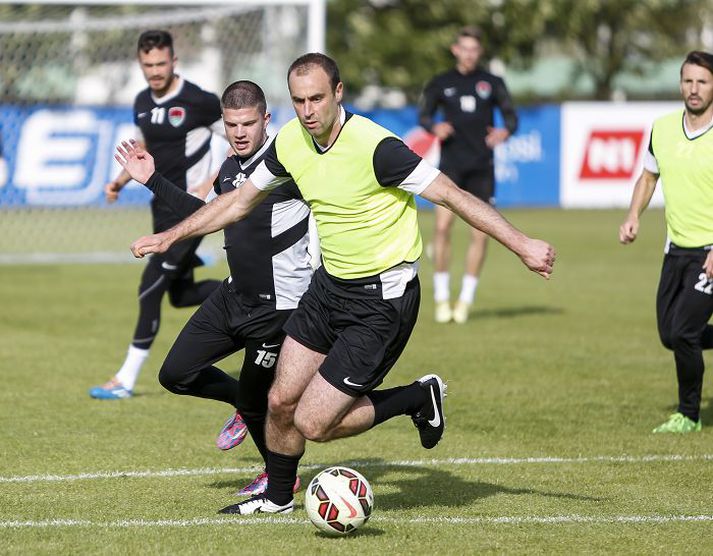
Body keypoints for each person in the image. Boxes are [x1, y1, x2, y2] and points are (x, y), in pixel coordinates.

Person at [128, 53, 555, 515]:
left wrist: (522, 244)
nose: (308, 110)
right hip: (328, 288)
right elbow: (236, 204)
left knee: (314, 422)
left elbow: (452, 195)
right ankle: (276, 498)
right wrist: (169, 236)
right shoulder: (290, 142)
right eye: (298, 100)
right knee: (279, 398)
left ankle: (417, 396)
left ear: (338, 93)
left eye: (316, 98)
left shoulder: (377, 147)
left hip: (381, 300)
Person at [117, 79, 312, 494]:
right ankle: (243, 401)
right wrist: (151, 180)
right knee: (176, 374)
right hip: (232, 295)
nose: (238, 132)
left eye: (247, 123)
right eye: (230, 124)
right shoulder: (229, 167)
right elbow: (206, 216)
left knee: (265, 404)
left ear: (266, 119)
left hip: (278, 307)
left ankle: (280, 478)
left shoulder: (289, 163)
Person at [89, 30, 224, 400]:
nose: (155, 71)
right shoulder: (141, 101)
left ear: (174, 61)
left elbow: (240, 141)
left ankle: (125, 380)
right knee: (180, 295)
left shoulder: (200, 101)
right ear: (140, 64)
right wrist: (118, 181)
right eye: (148, 65)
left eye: (161, 63)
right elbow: (144, 146)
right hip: (158, 209)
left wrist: (211, 185)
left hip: (190, 213)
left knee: (149, 290)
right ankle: (248, 290)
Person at [619, 50, 713, 434]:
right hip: (675, 249)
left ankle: (688, 414)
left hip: (709, 252)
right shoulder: (662, 127)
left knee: (685, 332)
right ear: (680, 84)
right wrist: (633, 215)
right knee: (668, 335)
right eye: (688, 81)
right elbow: (648, 176)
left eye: (703, 82)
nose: (694, 89)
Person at [419, 26, 518, 324]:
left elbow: (511, 116)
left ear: (480, 52)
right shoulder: (441, 82)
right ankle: (440, 297)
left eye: (475, 49)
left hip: (481, 168)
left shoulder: (492, 82)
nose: (469, 54)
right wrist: (433, 127)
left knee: (481, 231)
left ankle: (464, 300)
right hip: (450, 167)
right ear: (455, 50)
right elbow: (423, 115)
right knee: (441, 229)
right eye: (465, 48)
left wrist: (505, 130)